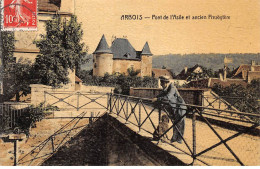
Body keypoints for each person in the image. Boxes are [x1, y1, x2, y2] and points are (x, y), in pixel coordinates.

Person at [152, 76, 187, 143]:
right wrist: (155, 98)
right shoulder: (166, 89)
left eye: (162, 83)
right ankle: (174, 138)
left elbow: (167, 97)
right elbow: (160, 95)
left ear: (166, 83)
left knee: (180, 123)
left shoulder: (172, 88)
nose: (161, 85)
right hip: (174, 108)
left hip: (180, 108)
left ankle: (179, 140)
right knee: (175, 123)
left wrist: (157, 99)